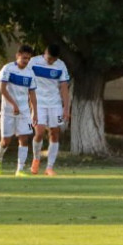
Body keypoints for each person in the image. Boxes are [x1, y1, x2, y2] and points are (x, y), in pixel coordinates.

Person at [0, 44, 38, 177]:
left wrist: (34, 112)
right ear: (18, 55)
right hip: (8, 111)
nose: (26, 61)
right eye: (24, 58)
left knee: (24, 138)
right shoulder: (8, 69)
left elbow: (32, 94)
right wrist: (13, 105)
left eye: (28, 59)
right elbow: (2, 89)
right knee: (5, 141)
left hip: (24, 112)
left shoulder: (30, 73)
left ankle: (20, 169)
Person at [28, 44, 71, 176]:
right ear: (45, 52)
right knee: (39, 132)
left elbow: (64, 88)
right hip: (39, 103)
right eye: (49, 58)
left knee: (55, 132)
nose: (51, 61)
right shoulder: (34, 62)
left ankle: (49, 167)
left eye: (53, 59)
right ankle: (36, 159)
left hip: (55, 104)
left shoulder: (61, 65)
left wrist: (66, 108)